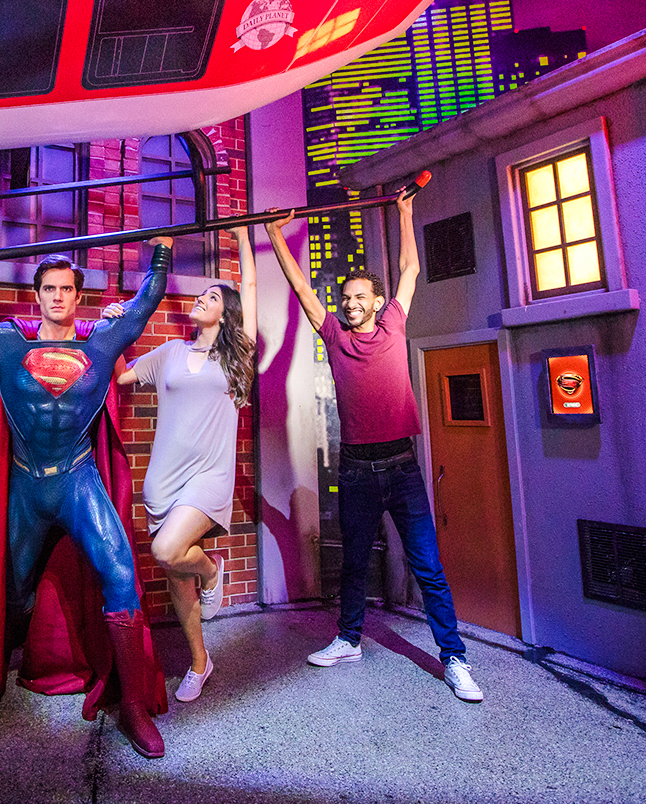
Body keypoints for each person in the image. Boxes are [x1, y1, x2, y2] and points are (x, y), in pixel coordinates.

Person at [0, 239, 173, 758]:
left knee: (120, 576)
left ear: (77, 295)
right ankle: (1, 676)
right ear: (38, 294)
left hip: (78, 480)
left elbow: (145, 304)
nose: (58, 296)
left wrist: (161, 252)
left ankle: (133, 707)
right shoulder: (8, 343)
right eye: (50, 288)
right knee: (14, 590)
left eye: (67, 288)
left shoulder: (102, 342)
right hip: (26, 486)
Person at [264, 188, 484, 703]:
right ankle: (349, 640)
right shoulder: (335, 335)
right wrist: (275, 233)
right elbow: (301, 288)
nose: (351, 303)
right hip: (356, 470)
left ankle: (454, 659)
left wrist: (406, 213)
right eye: (347, 297)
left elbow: (410, 268)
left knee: (427, 566)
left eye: (360, 296)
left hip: (402, 467)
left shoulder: (393, 324)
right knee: (355, 562)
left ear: (378, 303)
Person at [106, 227, 256, 703]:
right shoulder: (170, 352)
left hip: (208, 475)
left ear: (225, 315)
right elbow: (123, 377)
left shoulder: (236, 358)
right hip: (163, 479)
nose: (201, 299)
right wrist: (114, 329)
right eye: (202, 293)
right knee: (175, 575)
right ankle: (199, 662)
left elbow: (250, 288)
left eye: (212, 297)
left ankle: (210, 571)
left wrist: (244, 238)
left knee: (168, 551)